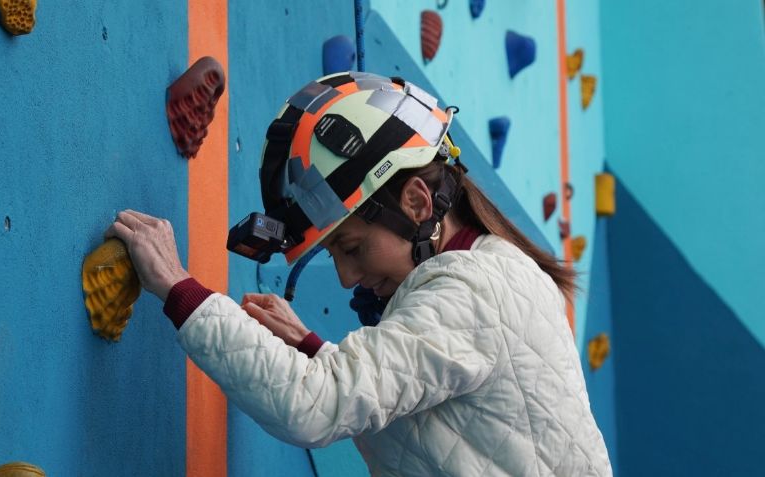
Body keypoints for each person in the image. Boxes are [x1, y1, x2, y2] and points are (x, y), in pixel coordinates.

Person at [106, 72, 612, 476]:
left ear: (416, 202)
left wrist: (178, 287)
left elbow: (314, 402)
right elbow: (435, 424)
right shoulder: (490, 276)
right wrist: (313, 349)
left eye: (350, 246)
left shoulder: (476, 291)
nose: (347, 278)